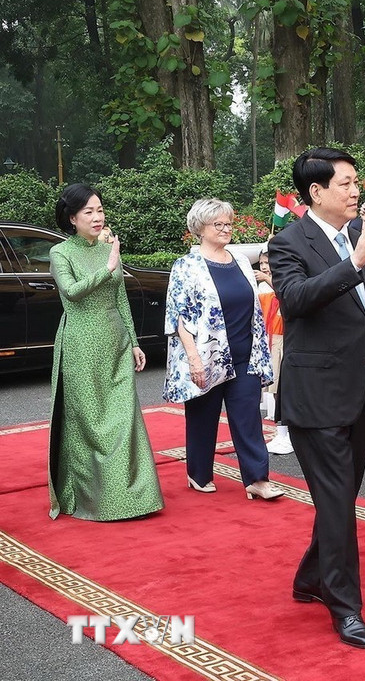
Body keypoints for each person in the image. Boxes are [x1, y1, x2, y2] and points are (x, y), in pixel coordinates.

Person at [268, 147, 365, 650]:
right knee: (341, 504)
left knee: (336, 499)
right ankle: (346, 607)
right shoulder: (287, 243)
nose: (355, 190)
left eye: (355, 181)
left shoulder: (356, 236)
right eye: (345, 183)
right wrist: (353, 263)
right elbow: (295, 300)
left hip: (362, 392)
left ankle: (310, 577)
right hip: (316, 396)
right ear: (316, 192)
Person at [47, 184, 163, 521]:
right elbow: (71, 293)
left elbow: (120, 299)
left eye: (100, 210)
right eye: (89, 212)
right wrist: (108, 267)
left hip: (116, 341)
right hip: (81, 343)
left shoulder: (108, 248)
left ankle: (133, 498)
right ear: (72, 219)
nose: (98, 218)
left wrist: (135, 341)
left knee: (124, 418)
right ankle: (91, 500)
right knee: (91, 423)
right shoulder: (61, 253)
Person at [163, 198, 282, 502]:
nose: (227, 229)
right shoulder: (186, 266)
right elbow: (178, 315)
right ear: (199, 228)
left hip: (245, 355)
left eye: (229, 223)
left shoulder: (241, 260)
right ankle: (198, 472)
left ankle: (257, 478)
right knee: (203, 416)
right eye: (219, 224)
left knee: (248, 417)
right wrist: (192, 358)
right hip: (206, 355)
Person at [256, 247, 292, 455]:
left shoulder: (283, 279)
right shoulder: (262, 285)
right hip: (271, 335)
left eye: (267, 263)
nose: (264, 267)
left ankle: (285, 435)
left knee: (282, 387)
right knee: (276, 386)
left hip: (283, 335)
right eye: (262, 263)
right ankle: (282, 433)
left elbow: (284, 294)